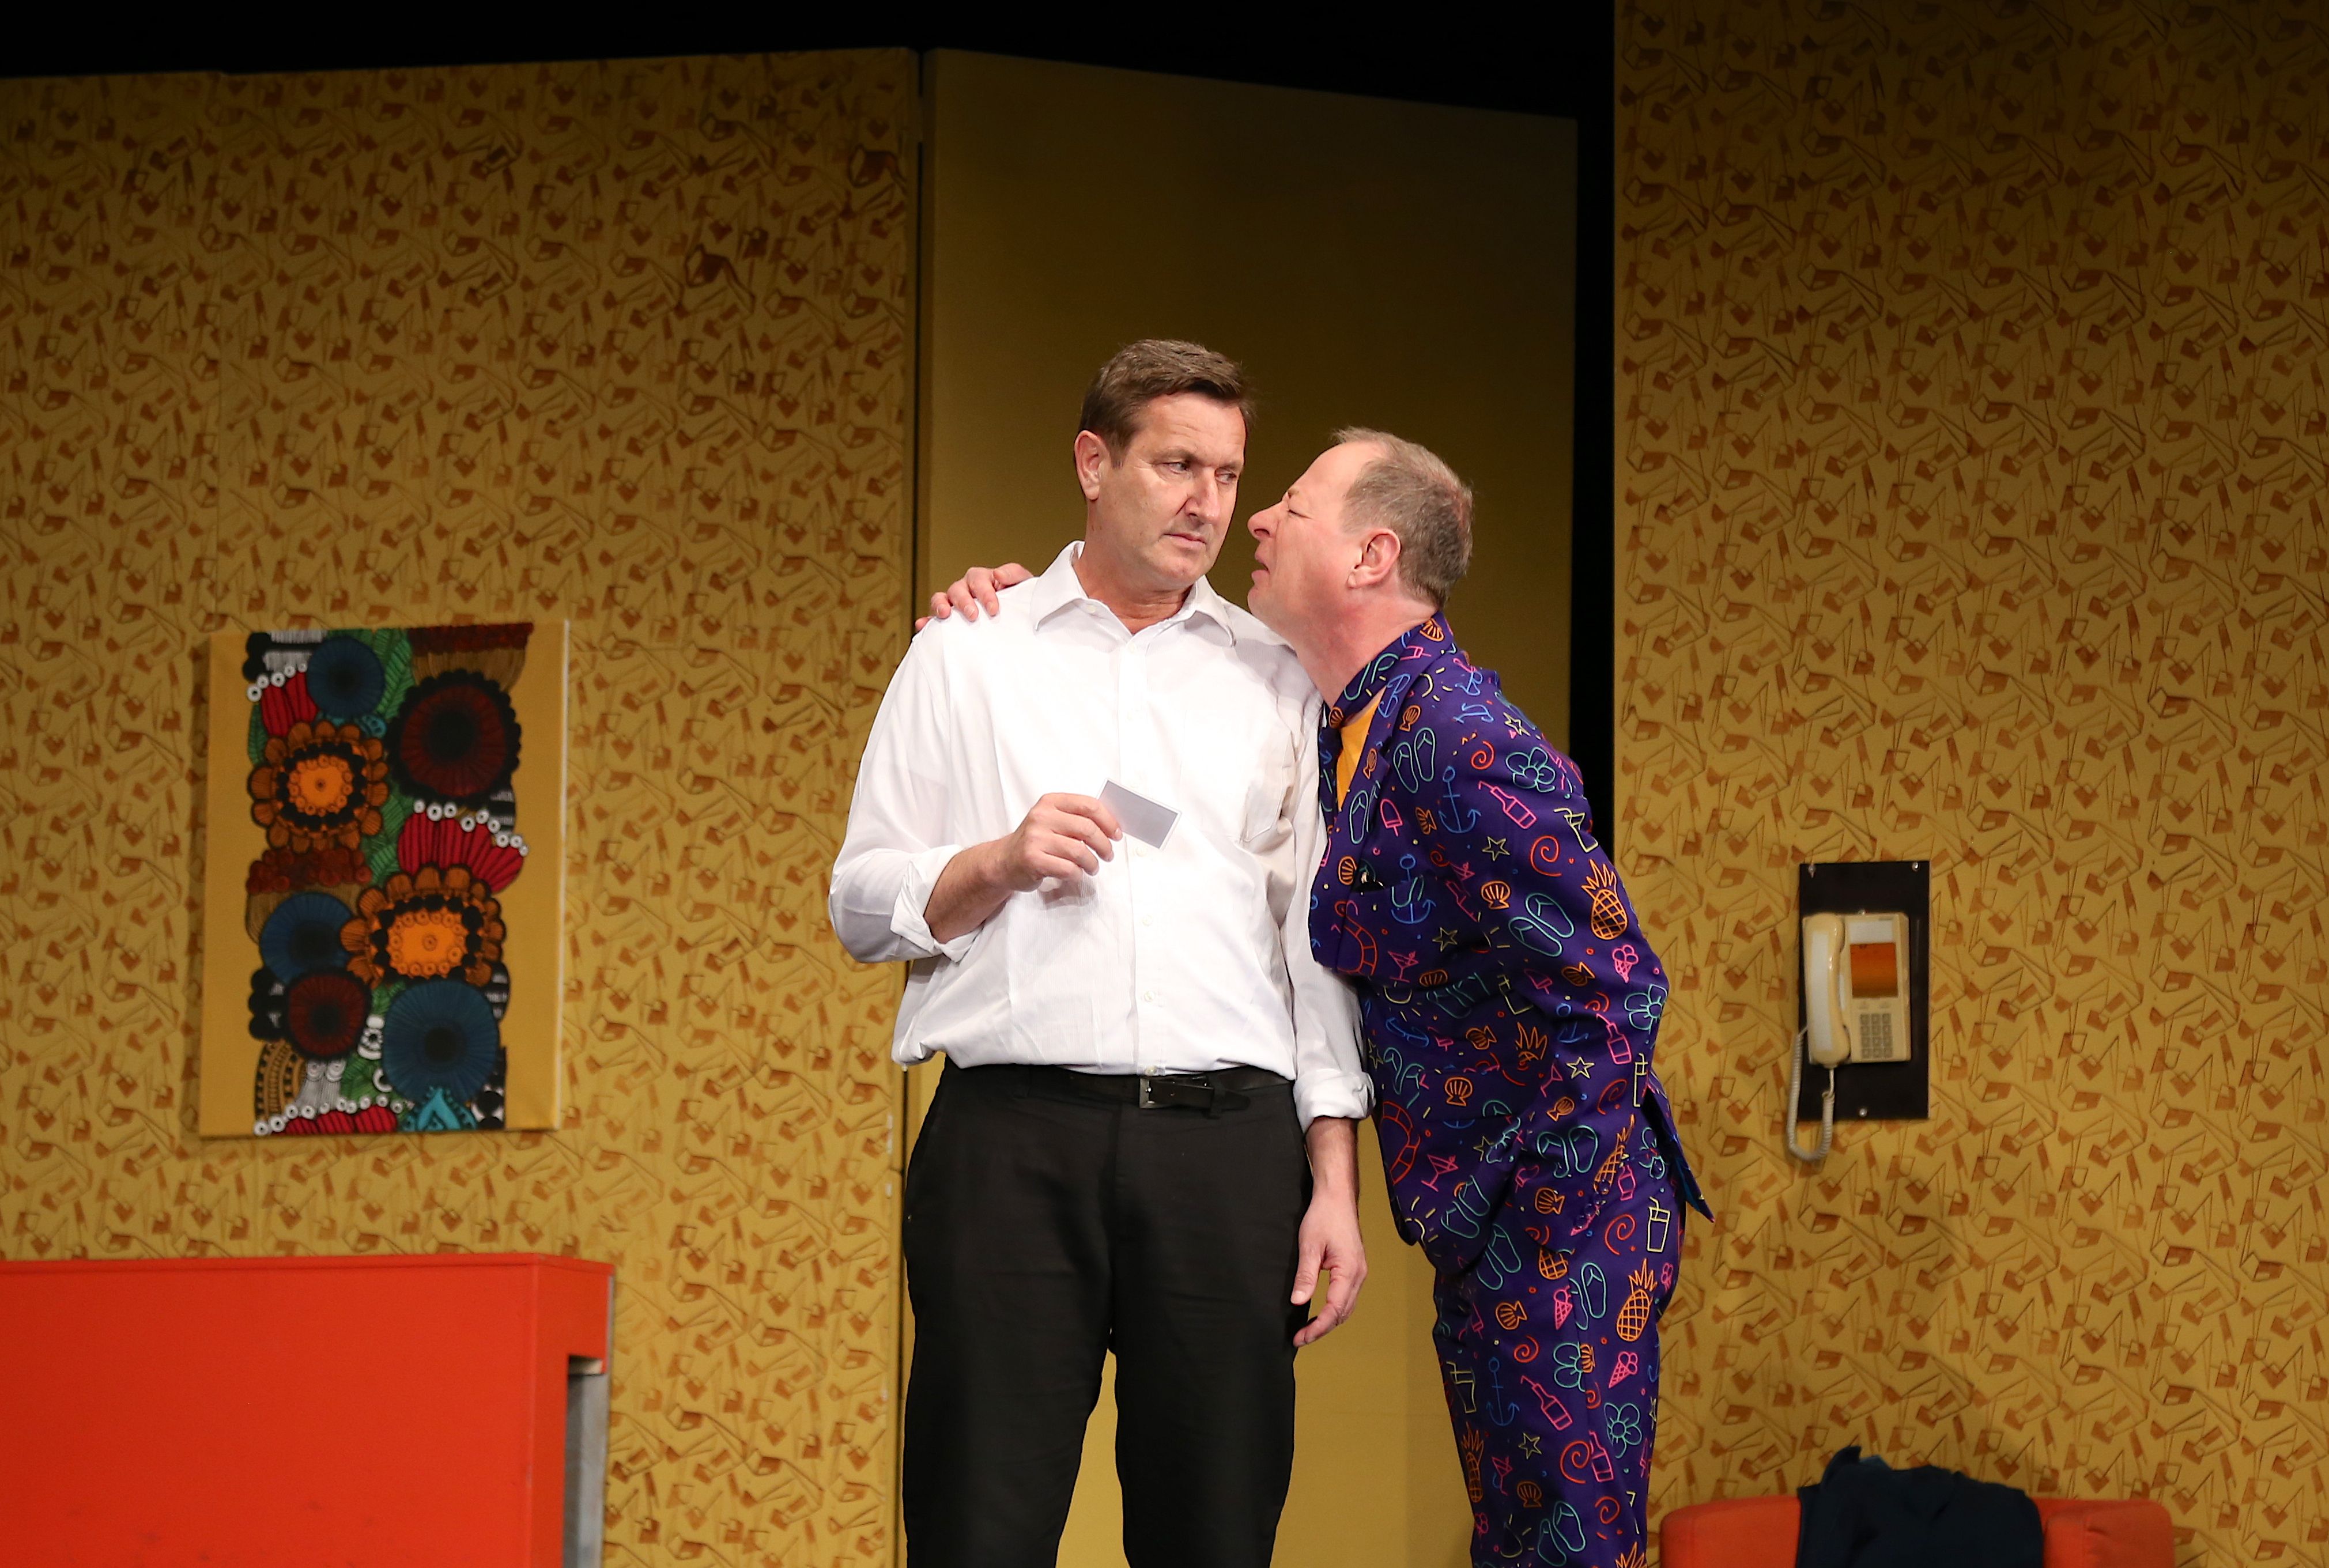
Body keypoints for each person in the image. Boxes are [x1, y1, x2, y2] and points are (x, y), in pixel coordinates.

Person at [927, 430, 1709, 1568]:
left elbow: (1617, 983)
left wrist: (1539, 1208)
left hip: (1558, 1217)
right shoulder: (1347, 718)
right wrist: (1016, 613)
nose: (1252, 516)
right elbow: (1196, 829)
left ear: (1368, 556)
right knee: (1514, 1540)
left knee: (1563, 1546)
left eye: (1288, 505)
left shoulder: (1455, 732)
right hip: (1483, 1217)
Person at [828, 340, 1372, 1568]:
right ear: (1092, 462)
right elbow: (858, 901)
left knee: (1214, 1535)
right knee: (976, 1530)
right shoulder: (967, 650)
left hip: (1226, 1153)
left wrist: (1334, 1182)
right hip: (1012, 1145)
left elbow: (1313, 950)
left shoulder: (1274, 675)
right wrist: (995, 861)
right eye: (1175, 464)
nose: (1206, 502)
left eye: (1227, 474)